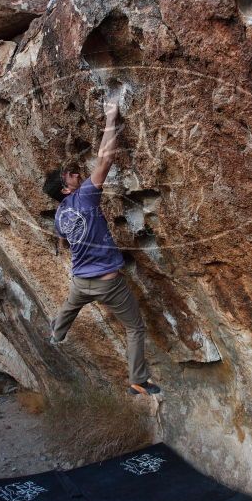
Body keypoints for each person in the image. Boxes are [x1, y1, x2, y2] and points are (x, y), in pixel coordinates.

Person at [43, 97, 161, 396]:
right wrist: (111, 119)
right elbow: (105, 159)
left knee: (70, 307)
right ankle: (138, 379)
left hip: (81, 281)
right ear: (67, 187)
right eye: (70, 174)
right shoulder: (84, 196)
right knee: (134, 328)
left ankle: (56, 333)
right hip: (107, 283)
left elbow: (65, 242)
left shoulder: (60, 214)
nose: (75, 172)